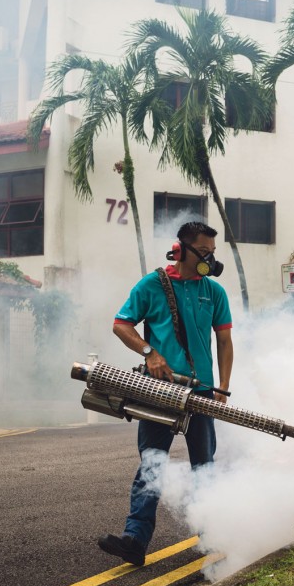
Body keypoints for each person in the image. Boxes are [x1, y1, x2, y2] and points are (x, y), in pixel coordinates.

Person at [98, 221, 233, 565]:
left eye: (213, 253)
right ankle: (135, 541)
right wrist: (149, 353)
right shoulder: (152, 286)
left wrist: (224, 388)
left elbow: (224, 340)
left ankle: (213, 534)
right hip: (157, 391)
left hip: (202, 392)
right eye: (204, 253)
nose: (210, 260)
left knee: (204, 466)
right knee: (152, 463)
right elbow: (121, 325)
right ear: (183, 249)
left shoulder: (214, 292)